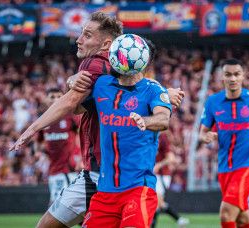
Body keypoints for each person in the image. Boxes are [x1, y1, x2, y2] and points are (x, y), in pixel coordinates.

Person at [9, 14, 184, 227]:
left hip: (116, 178)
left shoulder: (99, 68)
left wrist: (33, 127)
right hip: (101, 181)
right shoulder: (105, 82)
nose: (78, 39)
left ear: (107, 44)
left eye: (86, 34)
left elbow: (72, 102)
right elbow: (74, 103)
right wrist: (69, 84)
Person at [80, 34, 171, 228]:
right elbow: (74, 107)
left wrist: (145, 120)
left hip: (138, 188)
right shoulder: (102, 85)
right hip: (105, 192)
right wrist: (71, 81)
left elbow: (163, 119)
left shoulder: (154, 89)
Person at [199, 58, 249, 228]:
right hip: (224, 168)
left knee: (226, 212)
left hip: (247, 165)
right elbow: (202, 132)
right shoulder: (212, 102)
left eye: (236, 74)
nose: (233, 79)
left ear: (243, 76)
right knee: (242, 218)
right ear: (222, 77)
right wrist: (205, 137)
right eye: (228, 75)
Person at [35, 88, 80, 206]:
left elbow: (84, 134)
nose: (56, 99)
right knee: (68, 207)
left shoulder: (71, 117)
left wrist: (81, 157)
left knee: (56, 205)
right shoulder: (43, 119)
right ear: (46, 99)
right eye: (52, 97)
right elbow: (38, 141)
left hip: (68, 169)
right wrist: (38, 153)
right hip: (53, 170)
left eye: (59, 96)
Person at [151, 132, 189, 228]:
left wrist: (159, 165)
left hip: (161, 175)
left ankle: (178, 219)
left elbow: (171, 158)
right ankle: (179, 219)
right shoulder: (149, 134)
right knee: (158, 203)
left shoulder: (162, 137)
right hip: (153, 175)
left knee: (156, 204)